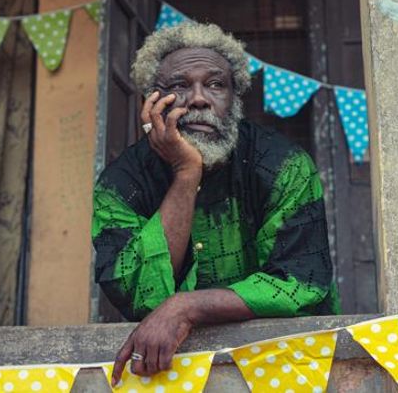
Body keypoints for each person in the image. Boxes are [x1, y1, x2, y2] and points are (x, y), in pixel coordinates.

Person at [91, 22, 339, 383]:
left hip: (288, 366)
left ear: (234, 100)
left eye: (215, 84)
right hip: (168, 376)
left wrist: (186, 307)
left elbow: (301, 282)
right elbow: (136, 295)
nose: (199, 99)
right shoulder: (120, 183)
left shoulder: (284, 165)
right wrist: (186, 172)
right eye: (179, 85)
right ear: (152, 102)